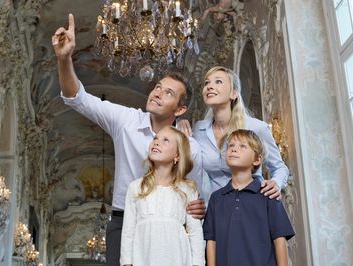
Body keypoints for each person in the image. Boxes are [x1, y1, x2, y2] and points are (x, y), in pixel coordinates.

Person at [51, 14, 204, 265]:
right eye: (157, 87)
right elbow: (77, 98)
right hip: (124, 221)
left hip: (168, 227)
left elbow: (194, 196)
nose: (157, 93)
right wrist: (64, 58)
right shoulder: (126, 121)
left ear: (179, 110)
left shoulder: (191, 148)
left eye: (168, 93)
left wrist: (197, 210)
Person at [178, 66, 289, 201]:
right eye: (207, 83)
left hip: (253, 204)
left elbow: (279, 168)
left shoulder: (257, 127)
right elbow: (187, 167)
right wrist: (178, 124)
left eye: (218, 81)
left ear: (234, 94)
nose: (209, 86)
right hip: (216, 209)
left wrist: (276, 183)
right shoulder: (198, 130)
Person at [203, 129, 295, 266]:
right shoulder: (216, 198)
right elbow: (211, 241)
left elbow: (279, 239)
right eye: (231, 146)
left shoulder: (268, 193)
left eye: (242, 146)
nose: (234, 149)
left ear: (257, 159)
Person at [120, 126, 204, 266]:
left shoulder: (187, 190)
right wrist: (126, 263)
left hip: (178, 260)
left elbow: (195, 233)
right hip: (143, 259)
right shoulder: (136, 188)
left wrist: (198, 264)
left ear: (177, 155)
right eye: (155, 138)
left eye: (165, 140)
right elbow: (128, 232)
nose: (156, 142)